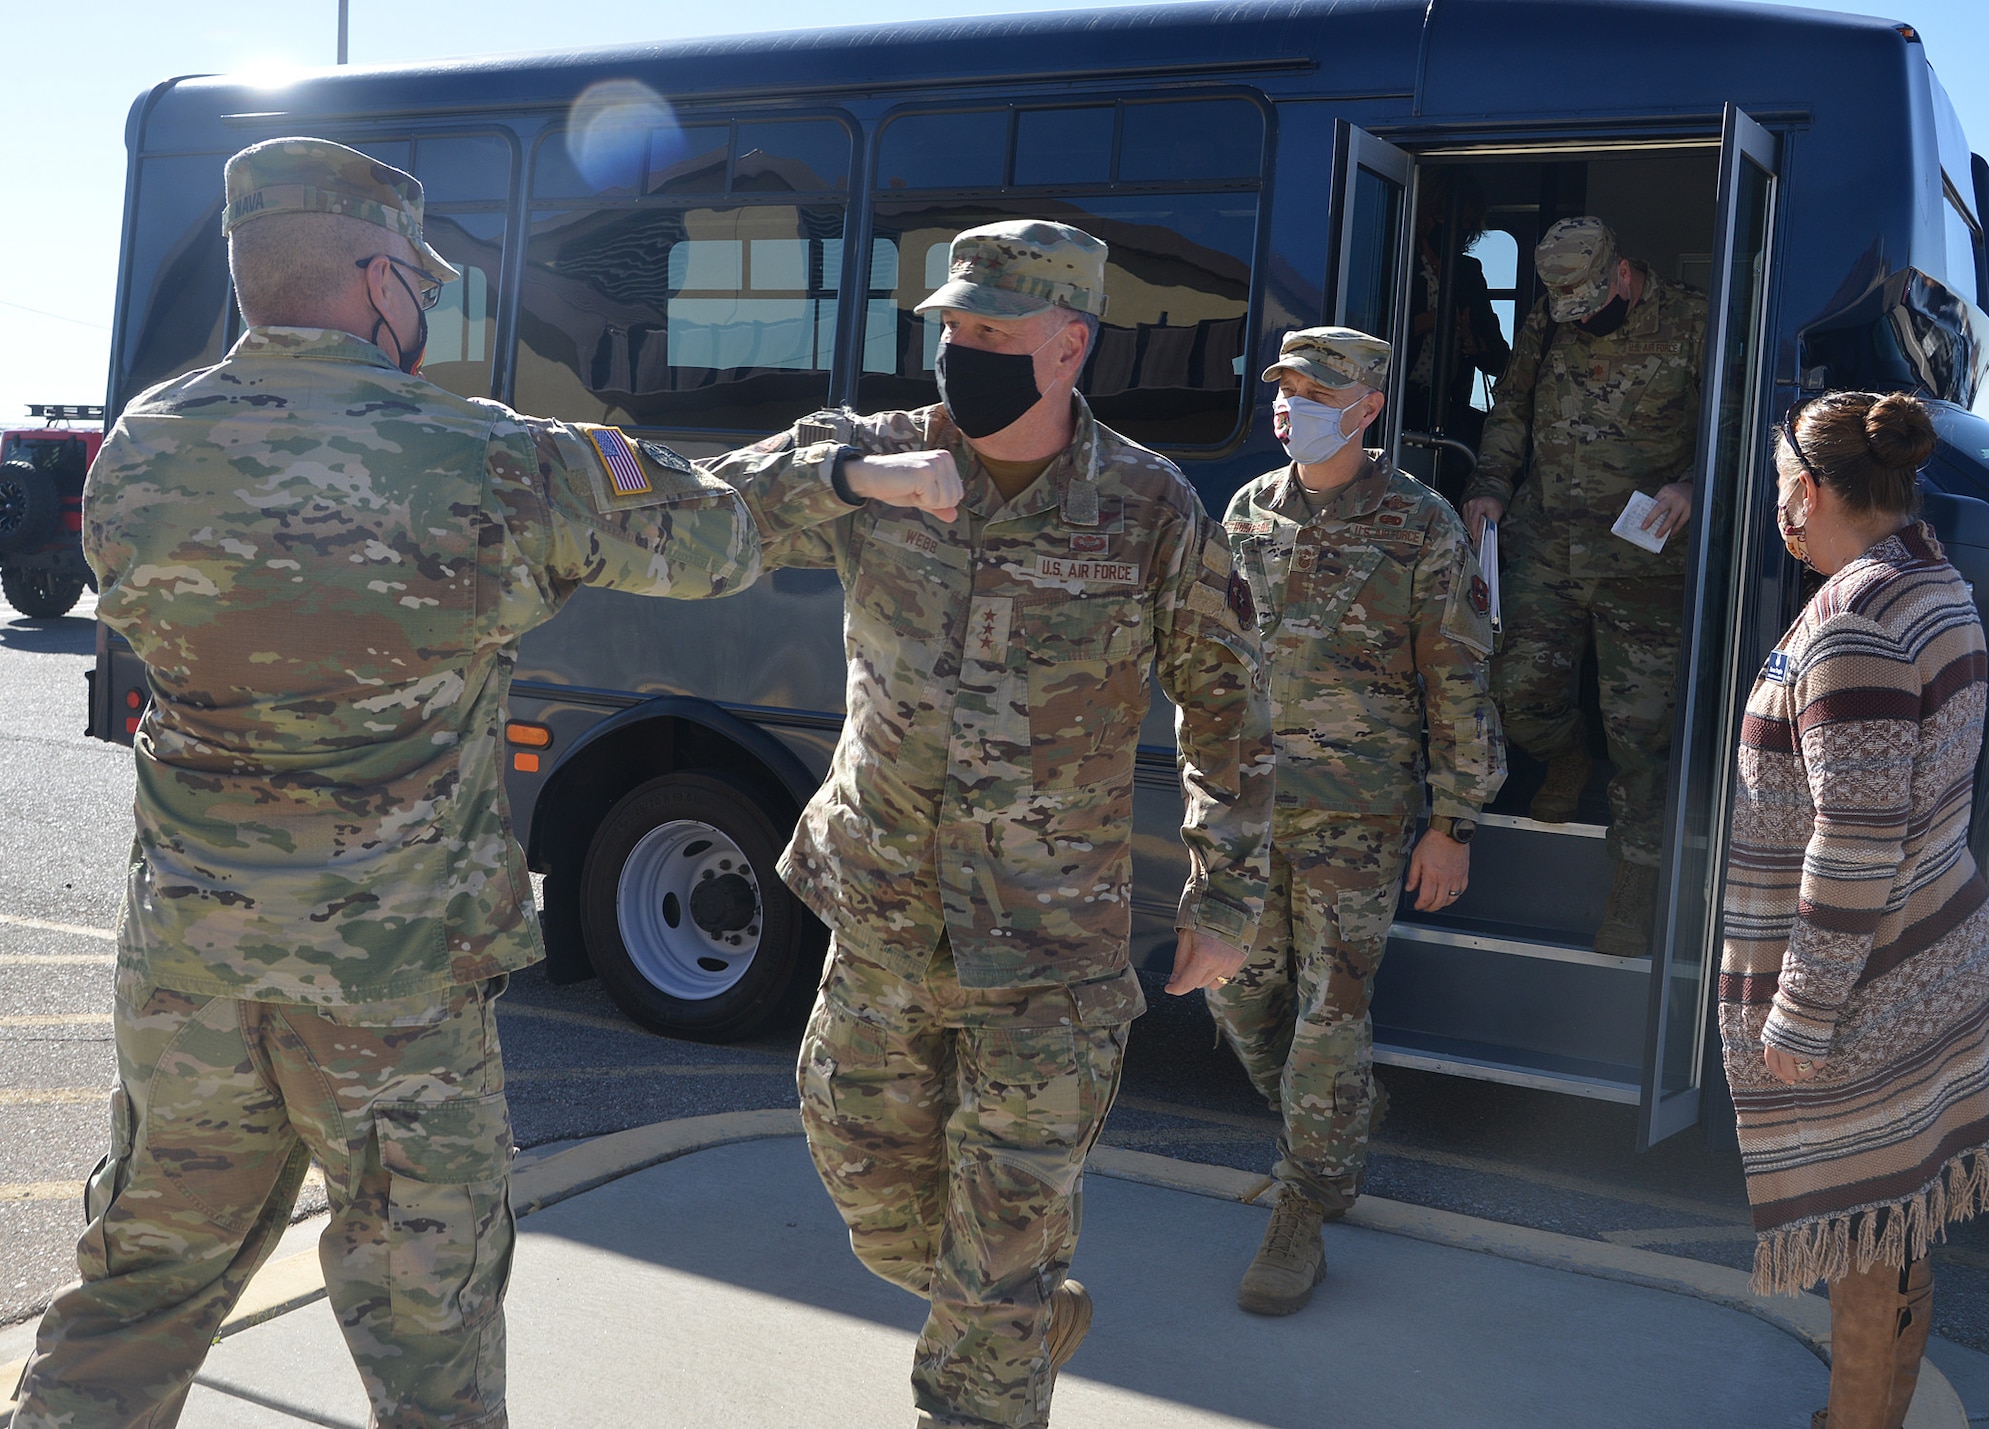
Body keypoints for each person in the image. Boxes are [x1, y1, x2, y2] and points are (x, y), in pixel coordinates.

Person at [6, 137, 938, 1429]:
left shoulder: (138, 455)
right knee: (428, 1333)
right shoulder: (481, 459)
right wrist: (839, 467)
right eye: (420, 280)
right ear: (376, 273)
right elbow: (713, 536)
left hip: (189, 974)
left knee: (134, 1296)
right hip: (390, 999)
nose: (429, 304)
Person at [704, 220, 1272, 1429]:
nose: (962, 353)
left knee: (999, 1248)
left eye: (994, 334)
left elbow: (1225, 699)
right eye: (951, 329)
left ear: (1069, 345)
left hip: (1048, 949)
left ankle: (992, 1347)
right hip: (882, 916)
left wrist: (1223, 897)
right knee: (869, 1190)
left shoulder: (1147, 507)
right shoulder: (879, 458)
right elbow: (704, 519)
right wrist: (858, 479)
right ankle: (1009, 1310)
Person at [1210, 327, 1505, 1315]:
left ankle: (1303, 1202)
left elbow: (1456, 677)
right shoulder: (1248, 508)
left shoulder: (1419, 524)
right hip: (1251, 812)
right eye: (1283, 388)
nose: (1290, 406)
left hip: (1359, 817)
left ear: (1367, 406)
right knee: (1239, 997)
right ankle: (1331, 1129)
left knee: (1328, 1016)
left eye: (1313, 389)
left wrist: (1451, 821)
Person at [1720, 391, 1989, 1429]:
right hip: (1933, 955)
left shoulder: (1855, 622)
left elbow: (1852, 837)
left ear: (1804, 494)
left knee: (1859, 1237)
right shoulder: (1930, 580)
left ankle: (1852, 1422)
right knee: (1894, 1223)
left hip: (1871, 986)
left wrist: (1796, 1012)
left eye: (1776, 485)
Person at [1459, 216, 1707, 958]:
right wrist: (1490, 487)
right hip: (1549, 542)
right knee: (1516, 689)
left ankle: (1634, 884)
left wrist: (1696, 486)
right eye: (1567, 307)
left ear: (1623, 273)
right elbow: (1512, 405)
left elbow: (1733, 426)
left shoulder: (1693, 321)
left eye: (1592, 303)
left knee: (1644, 735)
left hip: (1646, 559)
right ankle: (1565, 753)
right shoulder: (1550, 315)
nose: (1582, 319)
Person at [1402, 171, 1510, 502]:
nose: (1458, 230)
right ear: (1426, 213)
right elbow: (1376, 334)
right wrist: (1433, 321)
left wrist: (1474, 343)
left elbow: (1499, 357)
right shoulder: (1395, 260)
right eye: (1446, 217)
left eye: (1467, 223)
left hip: (1446, 410)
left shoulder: (1468, 273)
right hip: (1396, 407)